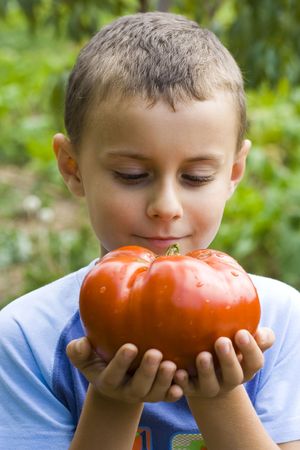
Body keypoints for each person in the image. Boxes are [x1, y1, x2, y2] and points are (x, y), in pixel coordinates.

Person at [0, 11, 299, 450]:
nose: (165, 208)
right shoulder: (25, 341)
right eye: (131, 174)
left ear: (234, 171)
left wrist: (219, 398)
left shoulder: (278, 321)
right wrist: (111, 402)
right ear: (73, 168)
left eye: (196, 177)